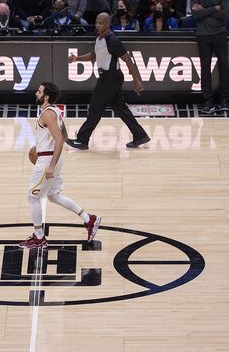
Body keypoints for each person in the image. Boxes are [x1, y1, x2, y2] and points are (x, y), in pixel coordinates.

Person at [18, 81, 101, 249]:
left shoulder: (48, 114)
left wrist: (51, 165)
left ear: (46, 96)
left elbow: (59, 139)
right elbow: (63, 134)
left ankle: (39, 238)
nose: (36, 93)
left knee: (32, 197)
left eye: (39, 91)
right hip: (53, 156)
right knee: (53, 195)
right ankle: (89, 219)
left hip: (48, 159)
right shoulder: (55, 111)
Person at [66, 13, 150, 150]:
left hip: (110, 78)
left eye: (101, 23)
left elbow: (128, 60)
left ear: (107, 24)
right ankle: (140, 135)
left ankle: (82, 140)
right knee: (120, 108)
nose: (98, 25)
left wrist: (136, 80)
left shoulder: (112, 40)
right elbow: (94, 54)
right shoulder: (99, 38)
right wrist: (77, 59)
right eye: (97, 22)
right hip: (109, 78)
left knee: (95, 108)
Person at [191, 0, 229, 113]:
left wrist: (205, 10)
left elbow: (225, 14)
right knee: (205, 68)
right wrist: (215, 8)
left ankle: (224, 100)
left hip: (220, 33)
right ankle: (208, 101)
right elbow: (196, 15)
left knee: (224, 66)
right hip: (203, 35)